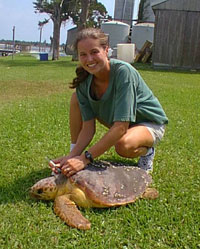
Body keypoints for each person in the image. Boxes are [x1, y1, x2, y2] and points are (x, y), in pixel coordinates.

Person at [50, 28, 168, 177]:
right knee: (75, 98)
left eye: (94, 52)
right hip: (119, 123)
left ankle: (147, 151)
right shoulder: (84, 83)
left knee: (123, 145)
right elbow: (88, 129)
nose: (89, 59)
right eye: (83, 55)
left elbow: (120, 127)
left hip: (148, 123)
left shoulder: (123, 72)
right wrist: (73, 156)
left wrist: (85, 159)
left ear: (106, 50)